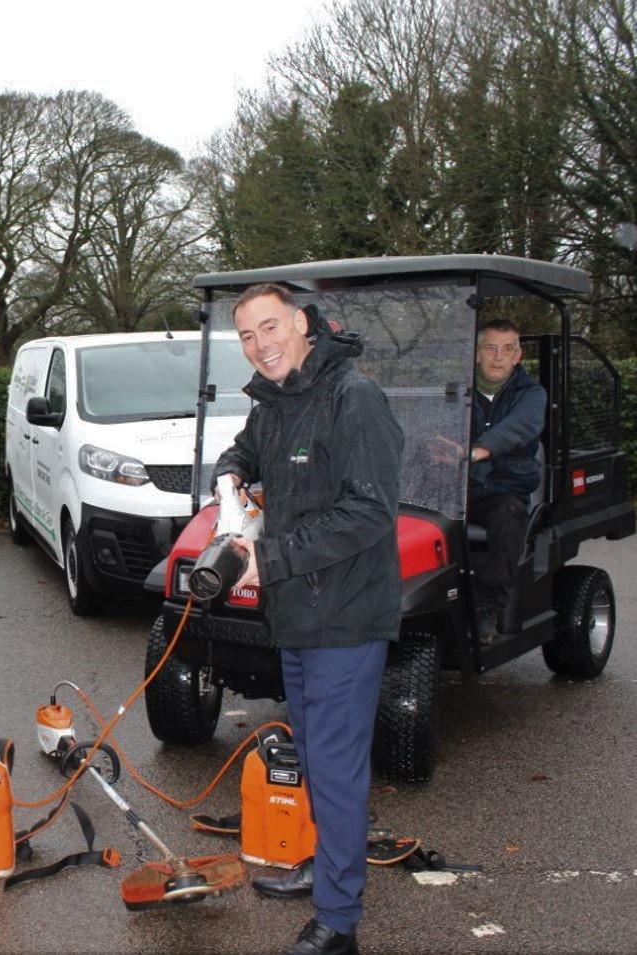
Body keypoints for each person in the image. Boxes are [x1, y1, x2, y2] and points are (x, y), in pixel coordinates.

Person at [214, 284, 403, 955]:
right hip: (297, 614)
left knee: (333, 767)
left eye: (269, 326)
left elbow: (369, 510)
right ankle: (328, 871)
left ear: (300, 323)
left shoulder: (355, 399)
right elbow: (244, 452)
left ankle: (338, 919)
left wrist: (269, 555)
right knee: (316, 759)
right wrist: (229, 477)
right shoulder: (274, 401)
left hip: (345, 617)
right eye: (245, 334)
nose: (259, 344)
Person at [467, 318, 545, 644]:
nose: (498, 356)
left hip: (503, 490)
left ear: (518, 356)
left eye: (507, 349)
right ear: (476, 353)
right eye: (491, 348)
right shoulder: (457, 389)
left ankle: (489, 606)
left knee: (509, 516)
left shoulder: (530, 394)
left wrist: (481, 449)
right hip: (461, 488)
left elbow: (522, 425)